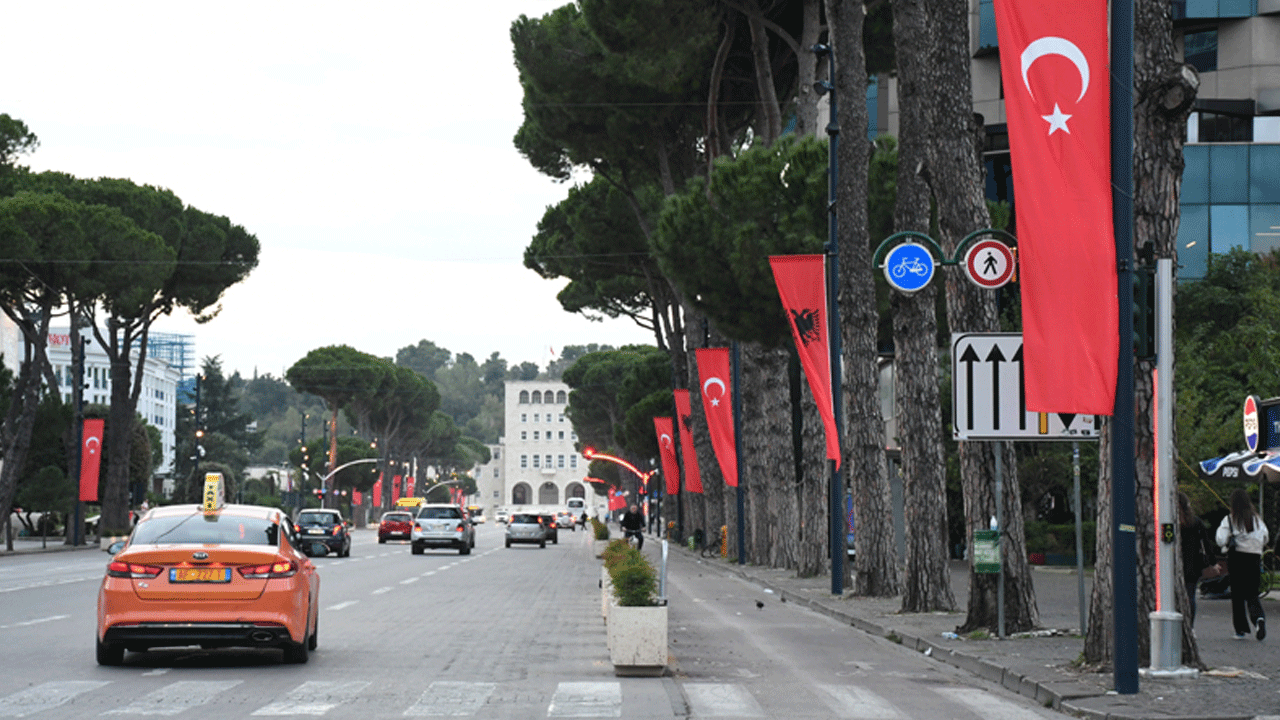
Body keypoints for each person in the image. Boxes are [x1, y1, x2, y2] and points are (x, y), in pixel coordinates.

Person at [1216, 488, 1269, 640]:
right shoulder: (1257, 520)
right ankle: (1258, 618)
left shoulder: (1230, 519)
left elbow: (1220, 539)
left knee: (1237, 595)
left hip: (1237, 558)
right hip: (1254, 558)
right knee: (1252, 593)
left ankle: (1240, 629)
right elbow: (1265, 537)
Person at [1178, 492, 1216, 628]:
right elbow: (1206, 543)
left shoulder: (1172, 522)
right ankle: (1190, 626)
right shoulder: (1195, 522)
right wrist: (1212, 562)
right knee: (1190, 596)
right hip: (1193, 564)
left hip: (1176, 563)